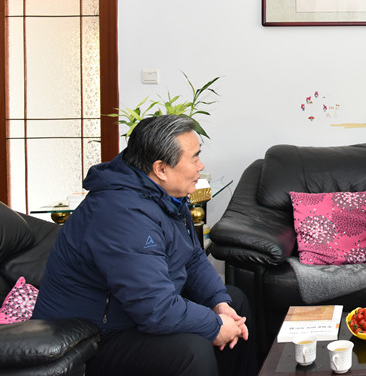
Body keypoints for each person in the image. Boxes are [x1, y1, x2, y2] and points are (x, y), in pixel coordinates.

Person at [33, 115, 257, 376]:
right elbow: (155, 308)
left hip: (133, 315)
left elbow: (193, 256)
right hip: (92, 337)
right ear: (160, 169)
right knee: (192, 350)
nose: (201, 165)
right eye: (194, 158)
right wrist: (214, 325)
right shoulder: (120, 214)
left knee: (234, 302)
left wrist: (219, 303)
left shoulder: (165, 195)